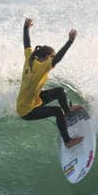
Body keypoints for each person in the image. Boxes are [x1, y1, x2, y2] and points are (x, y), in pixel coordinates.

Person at [16, 18, 84, 149]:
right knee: (57, 111)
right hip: (26, 111)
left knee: (60, 91)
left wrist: (26, 28)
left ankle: (68, 111)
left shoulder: (30, 58)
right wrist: (70, 42)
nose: (52, 60)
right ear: (46, 57)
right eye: (51, 57)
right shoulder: (42, 67)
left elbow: (26, 44)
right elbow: (58, 58)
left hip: (30, 100)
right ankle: (68, 141)